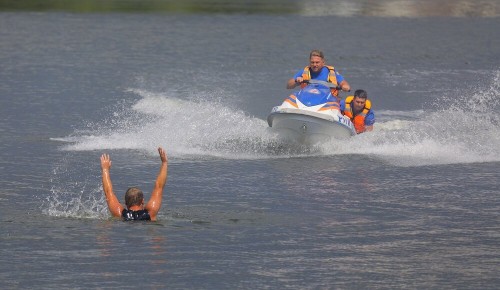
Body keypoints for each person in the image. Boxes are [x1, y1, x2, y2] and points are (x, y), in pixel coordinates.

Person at [100, 147, 168, 221]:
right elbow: (159, 186)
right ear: (142, 201)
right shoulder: (151, 213)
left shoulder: (119, 213)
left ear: (125, 203)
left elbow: (108, 192)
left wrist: (105, 169)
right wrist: (164, 163)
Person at [287, 49, 351, 99]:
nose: (314, 65)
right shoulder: (304, 71)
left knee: (342, 104)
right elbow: (288, 86)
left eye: (317, 62)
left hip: (327, 101)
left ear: (323, 62)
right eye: (312, 62)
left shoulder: (331, 72)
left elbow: (344, 83)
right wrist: (296, 81)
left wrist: (344, 87)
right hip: (307, 99)